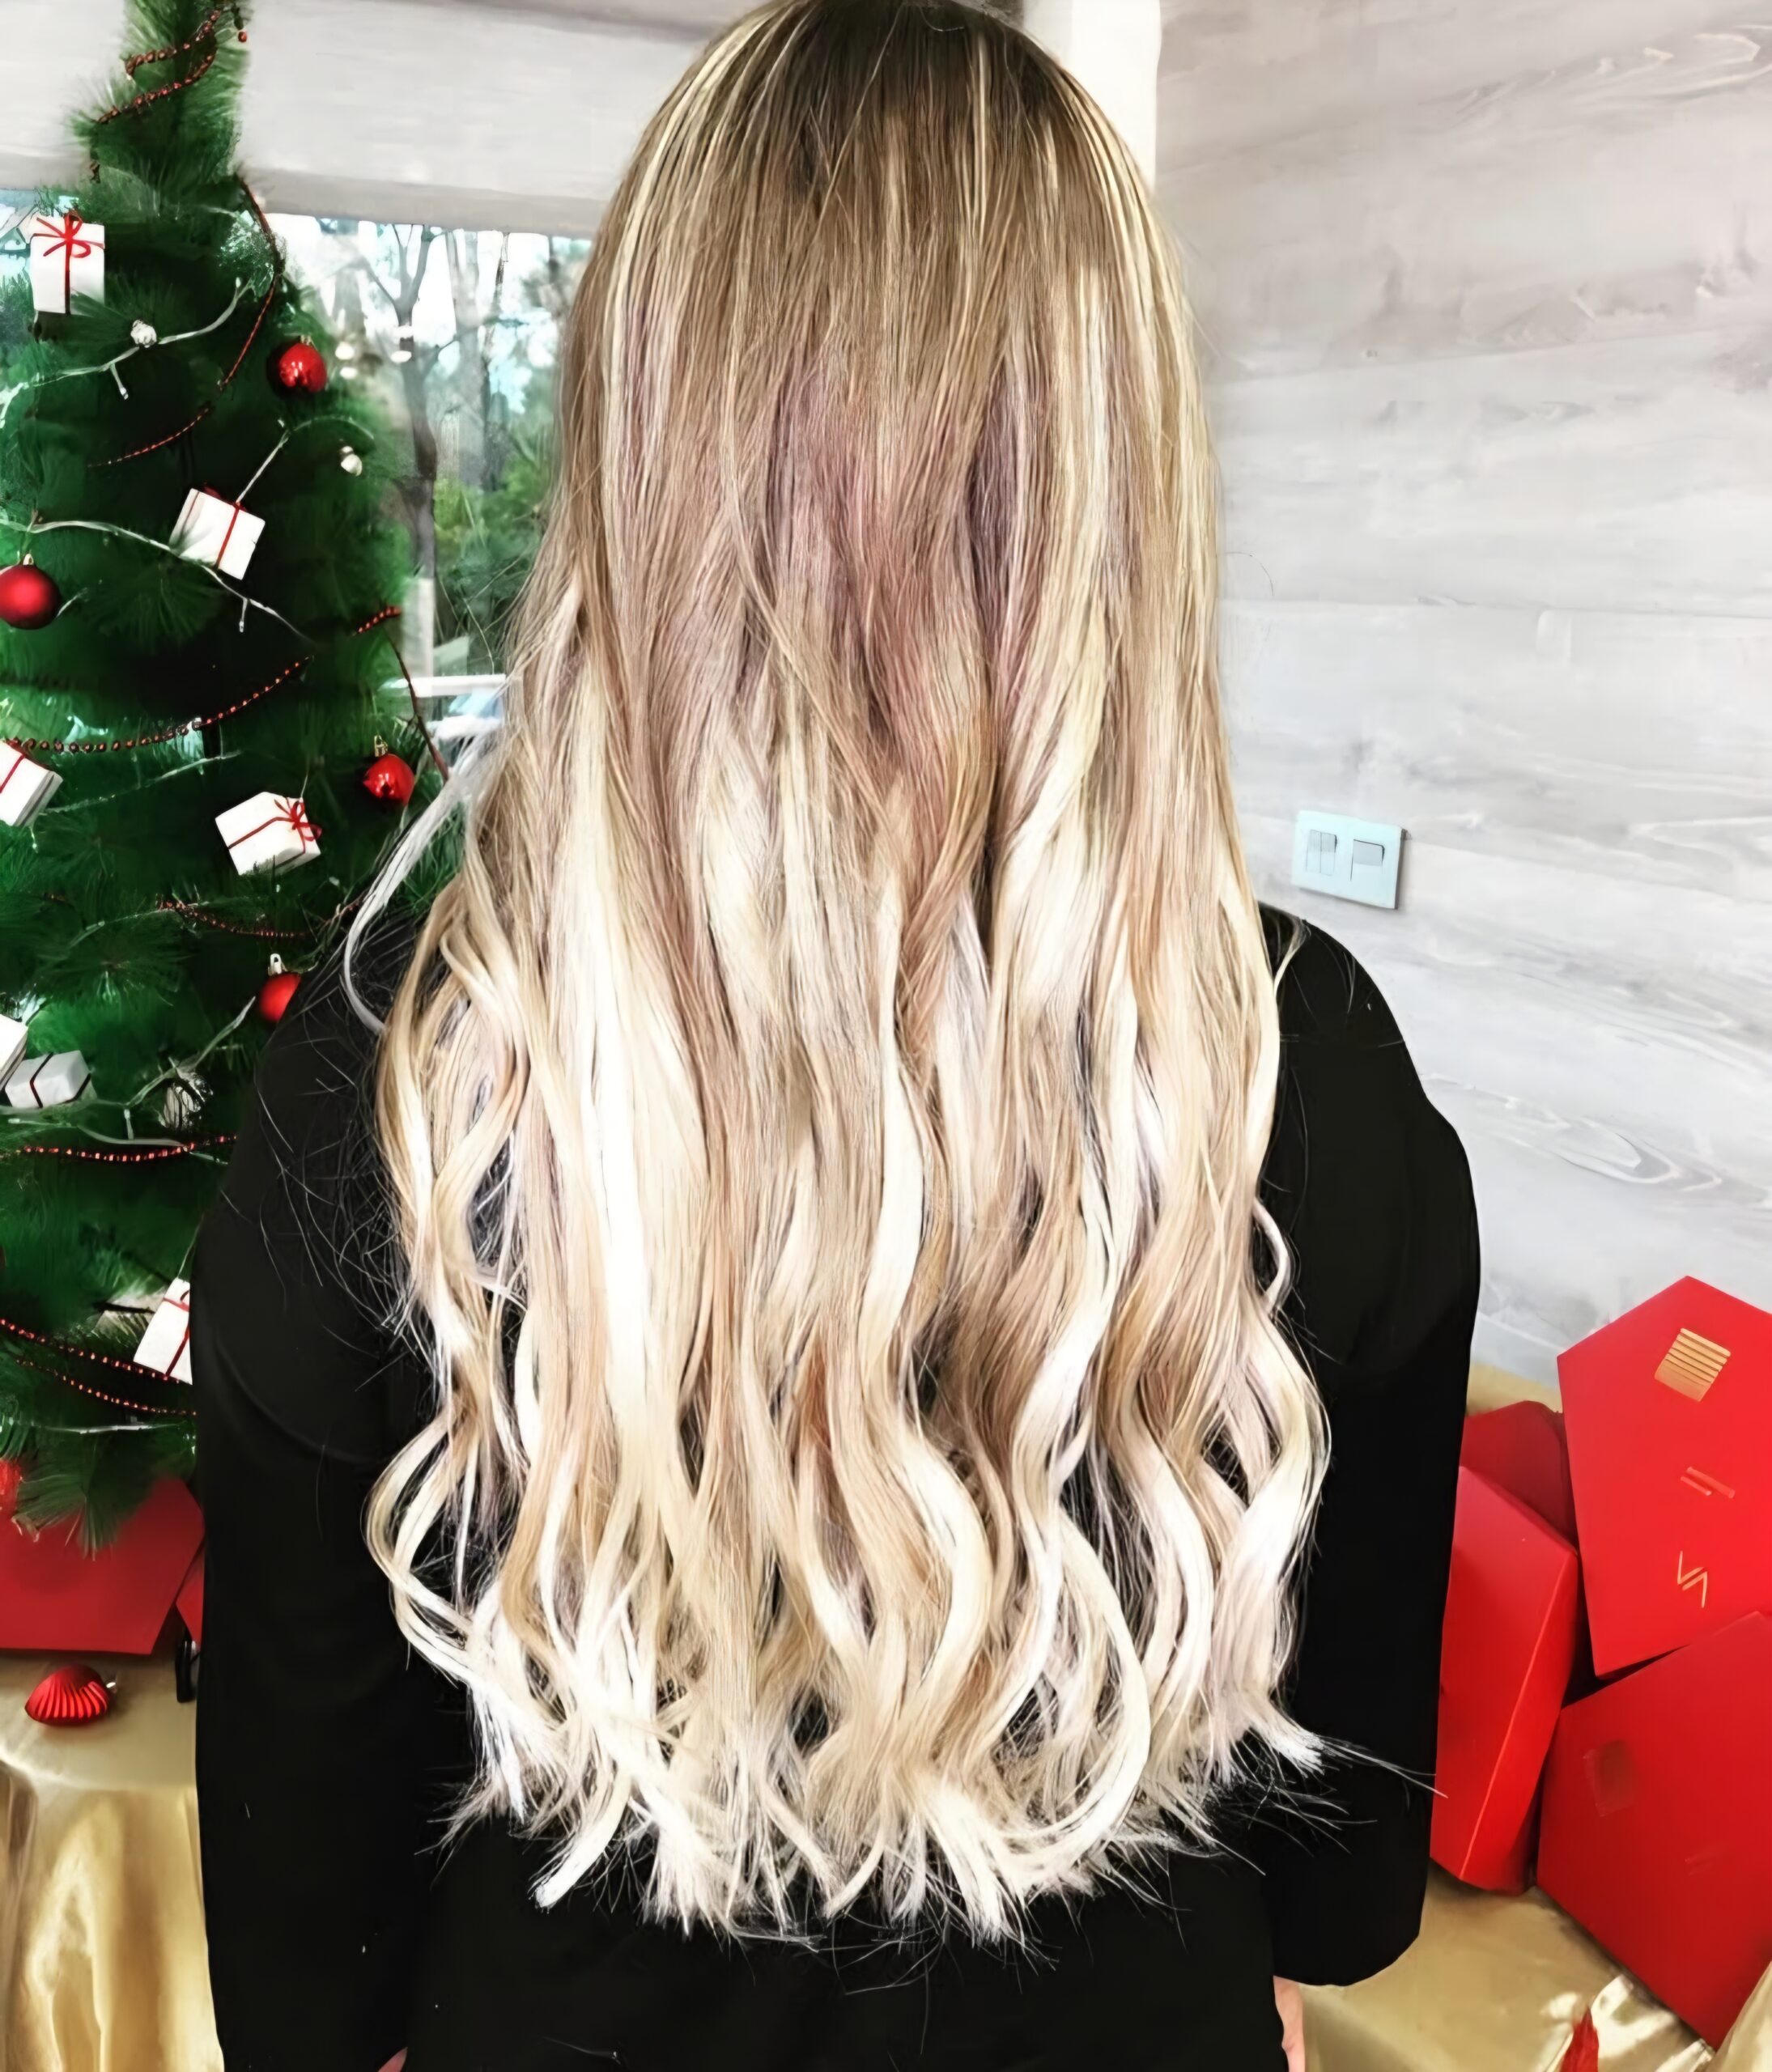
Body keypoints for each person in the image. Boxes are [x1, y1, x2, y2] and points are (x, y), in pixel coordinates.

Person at [192, 3, 1479, 2067]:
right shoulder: (1302, 1069)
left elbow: (304, 1929)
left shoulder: (393, 1093)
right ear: (1121, 488)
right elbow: (1338, 1892)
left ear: (637, 458)